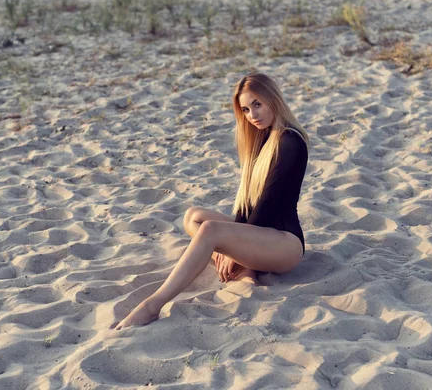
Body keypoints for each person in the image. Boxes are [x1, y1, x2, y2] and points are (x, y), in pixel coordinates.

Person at [113, 72, 309, 329]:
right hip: (262, 234)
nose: (253, 115)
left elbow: (268, 204)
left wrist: (233, 247)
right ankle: (247, 271)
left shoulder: (290, 141)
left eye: (258, 104)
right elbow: (247, 205)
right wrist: (233, 244)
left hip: (285, 244)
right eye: (246, 109)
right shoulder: (263, 139)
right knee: (194, 216)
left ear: (273, 99)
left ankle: (152, 306)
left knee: (210, 230)